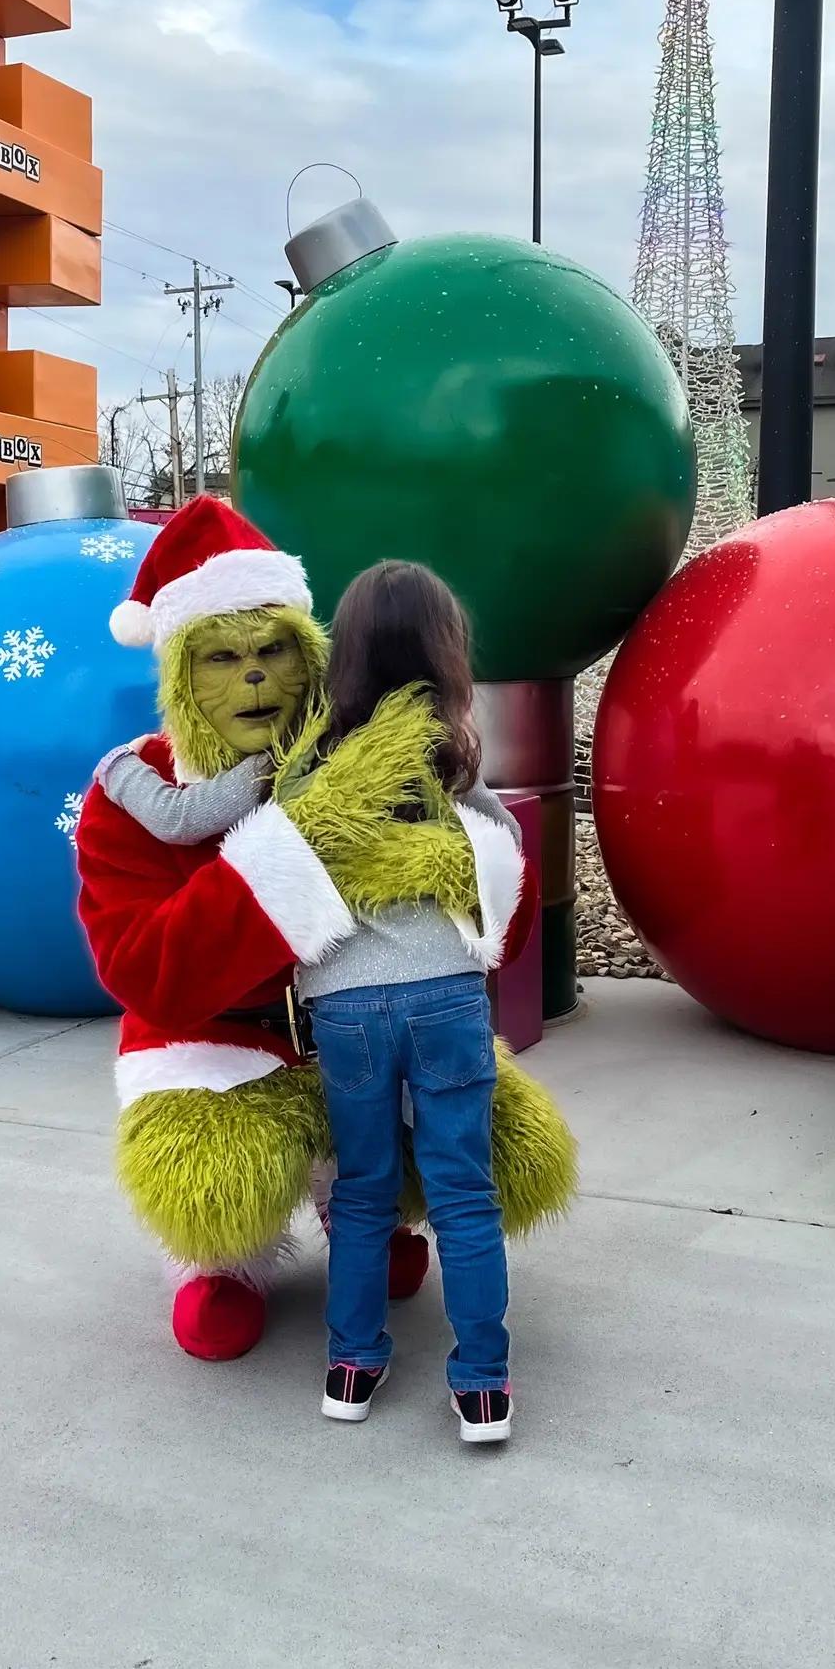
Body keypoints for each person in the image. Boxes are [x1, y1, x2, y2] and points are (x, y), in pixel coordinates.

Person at [75, 498, 575, 1367]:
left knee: (509, 1142)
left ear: (311, 657)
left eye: (273, 651)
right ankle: (220, 1267)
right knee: (209, 1180)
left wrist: (447, 857)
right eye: (221, 660)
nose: (254, 678)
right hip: (218, 1044)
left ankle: (362, 1216)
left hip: (357, 1026)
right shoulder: (140, 800)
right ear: (179, 679)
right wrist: (303, 847)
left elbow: (504, 928)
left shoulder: (365, 754)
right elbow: (147, 972)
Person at [278, 560, 531, 1444]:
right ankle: (483, 1386)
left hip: (346, 1004)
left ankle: (350, 1365)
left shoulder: (310, 766)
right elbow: (503, 845)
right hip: (445, 997)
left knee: (362, 1194)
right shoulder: (451, 757)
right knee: (463, 1193)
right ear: (442, 648)